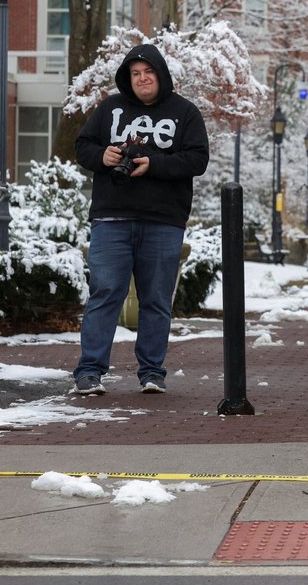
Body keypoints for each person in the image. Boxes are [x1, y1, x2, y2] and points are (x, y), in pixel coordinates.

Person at [71, 43, 210, 395]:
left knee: (156, 300)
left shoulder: (185, 112)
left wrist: (154, 163)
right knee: (105, 294)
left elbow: (198, 159)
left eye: (148, 72)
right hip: (111, 219)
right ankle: (89, 372)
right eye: (135, 73)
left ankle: (151, 372)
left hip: (164, 221)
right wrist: (103, 156)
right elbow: (83, 146)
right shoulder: (109, 108)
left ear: (161, 74)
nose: (142, 78)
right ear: (127, 78)